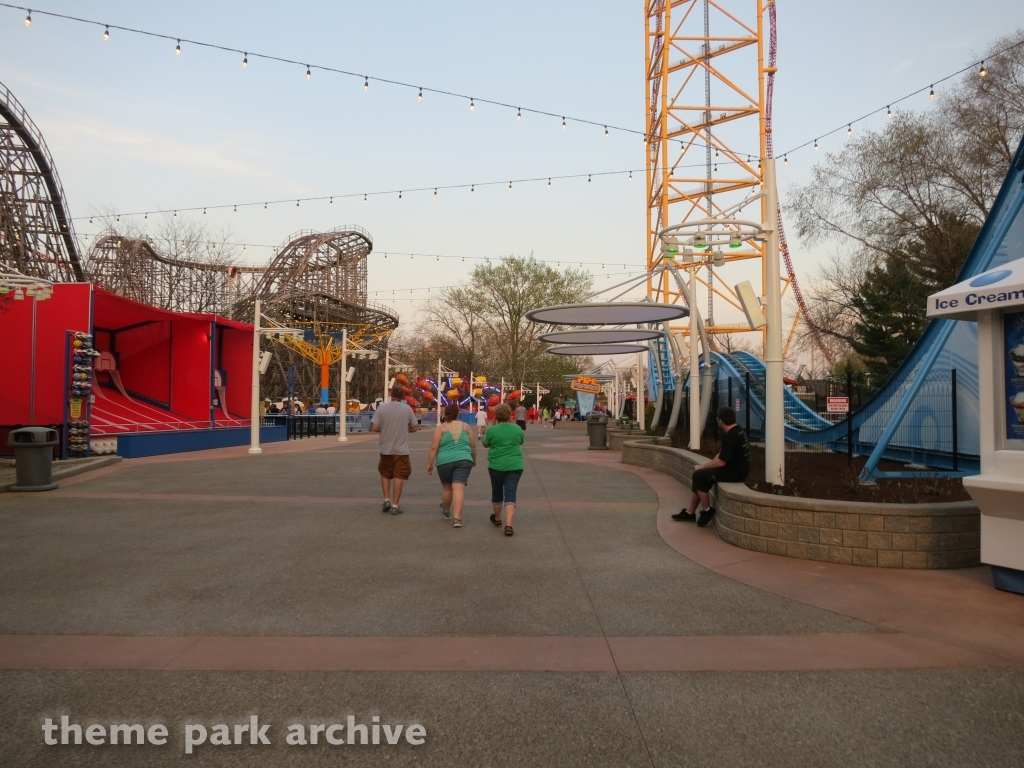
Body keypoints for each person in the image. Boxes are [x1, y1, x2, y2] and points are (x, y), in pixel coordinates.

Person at [673, 406, 751, 527]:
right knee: (700, 477)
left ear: (720, 421)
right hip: (738, 469)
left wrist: (702, 467)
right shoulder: (738, 431)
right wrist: (707, 466)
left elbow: (721, 462)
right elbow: (721, 454)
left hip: (736, 473)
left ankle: (707, 511)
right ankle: (690, 513)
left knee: (699, 475)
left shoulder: (730, 436)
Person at [371, 384, 420, 515]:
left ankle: (386, 500)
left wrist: (384, 429)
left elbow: (374, 427)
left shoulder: (382, 408)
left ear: (391, 394)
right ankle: (395, 505)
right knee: (399, 476)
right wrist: (405, 429)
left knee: (385, 474)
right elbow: (415, 427)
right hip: (401, 449)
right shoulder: (407, 408)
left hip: (385, 448)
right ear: (402, 396)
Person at [427, 402, 477, 527]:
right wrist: (473, 458)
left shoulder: (441, 428)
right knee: (459, 488)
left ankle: (447, 511)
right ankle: (457, 518)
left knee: (447, 488)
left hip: (444, 461)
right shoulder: (466, 427)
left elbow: (434, 447)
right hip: (464, 459)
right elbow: (473, 446)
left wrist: (430, 463)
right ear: (458, 413)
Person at [483, 402, 524, 536]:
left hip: (496, 465)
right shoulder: (517, 428)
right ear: (510, 415)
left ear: (495, 416)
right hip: (514, 465)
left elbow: (485, 444)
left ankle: (497, 518)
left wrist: (493, 426)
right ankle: (509, 524)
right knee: (511, 493)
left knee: (497, 492)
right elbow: (521, 441)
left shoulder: (492, 430)